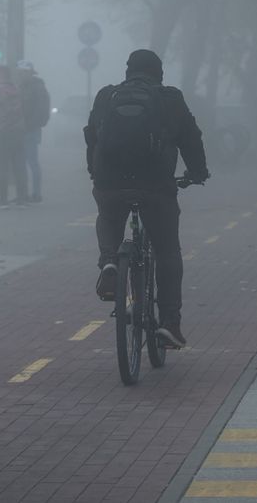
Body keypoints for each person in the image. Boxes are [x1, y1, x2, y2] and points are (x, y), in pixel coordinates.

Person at [85, 49, 209, 348]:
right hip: (155, 186)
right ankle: (170, 324)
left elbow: (92, 137)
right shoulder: (170, 98)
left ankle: (110, 262)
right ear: (159, 73)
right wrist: (197, 173)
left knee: (109, 214)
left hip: (111, 182)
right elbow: (192, 138)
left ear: (127, 71)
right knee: (167, 251)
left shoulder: (106, 95)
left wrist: (95, 173)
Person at [0, 65, 29, 208]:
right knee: (19, 166)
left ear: (2, 76)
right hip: (18, 133)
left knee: (3, 167)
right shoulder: (18, 91)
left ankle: (3, 199)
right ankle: (21, 199)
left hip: (2, 133)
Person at [15, 60, 51, 203]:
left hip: (30, 130)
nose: (20, 75)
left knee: (31, 162)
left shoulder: (37, 87)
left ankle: (36, 194)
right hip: (21, 130)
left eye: (22, 73)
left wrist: (29, 125)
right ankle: (24, 193)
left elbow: (40, 110)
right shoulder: (22, 87)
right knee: (23, 162)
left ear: (28, 73)